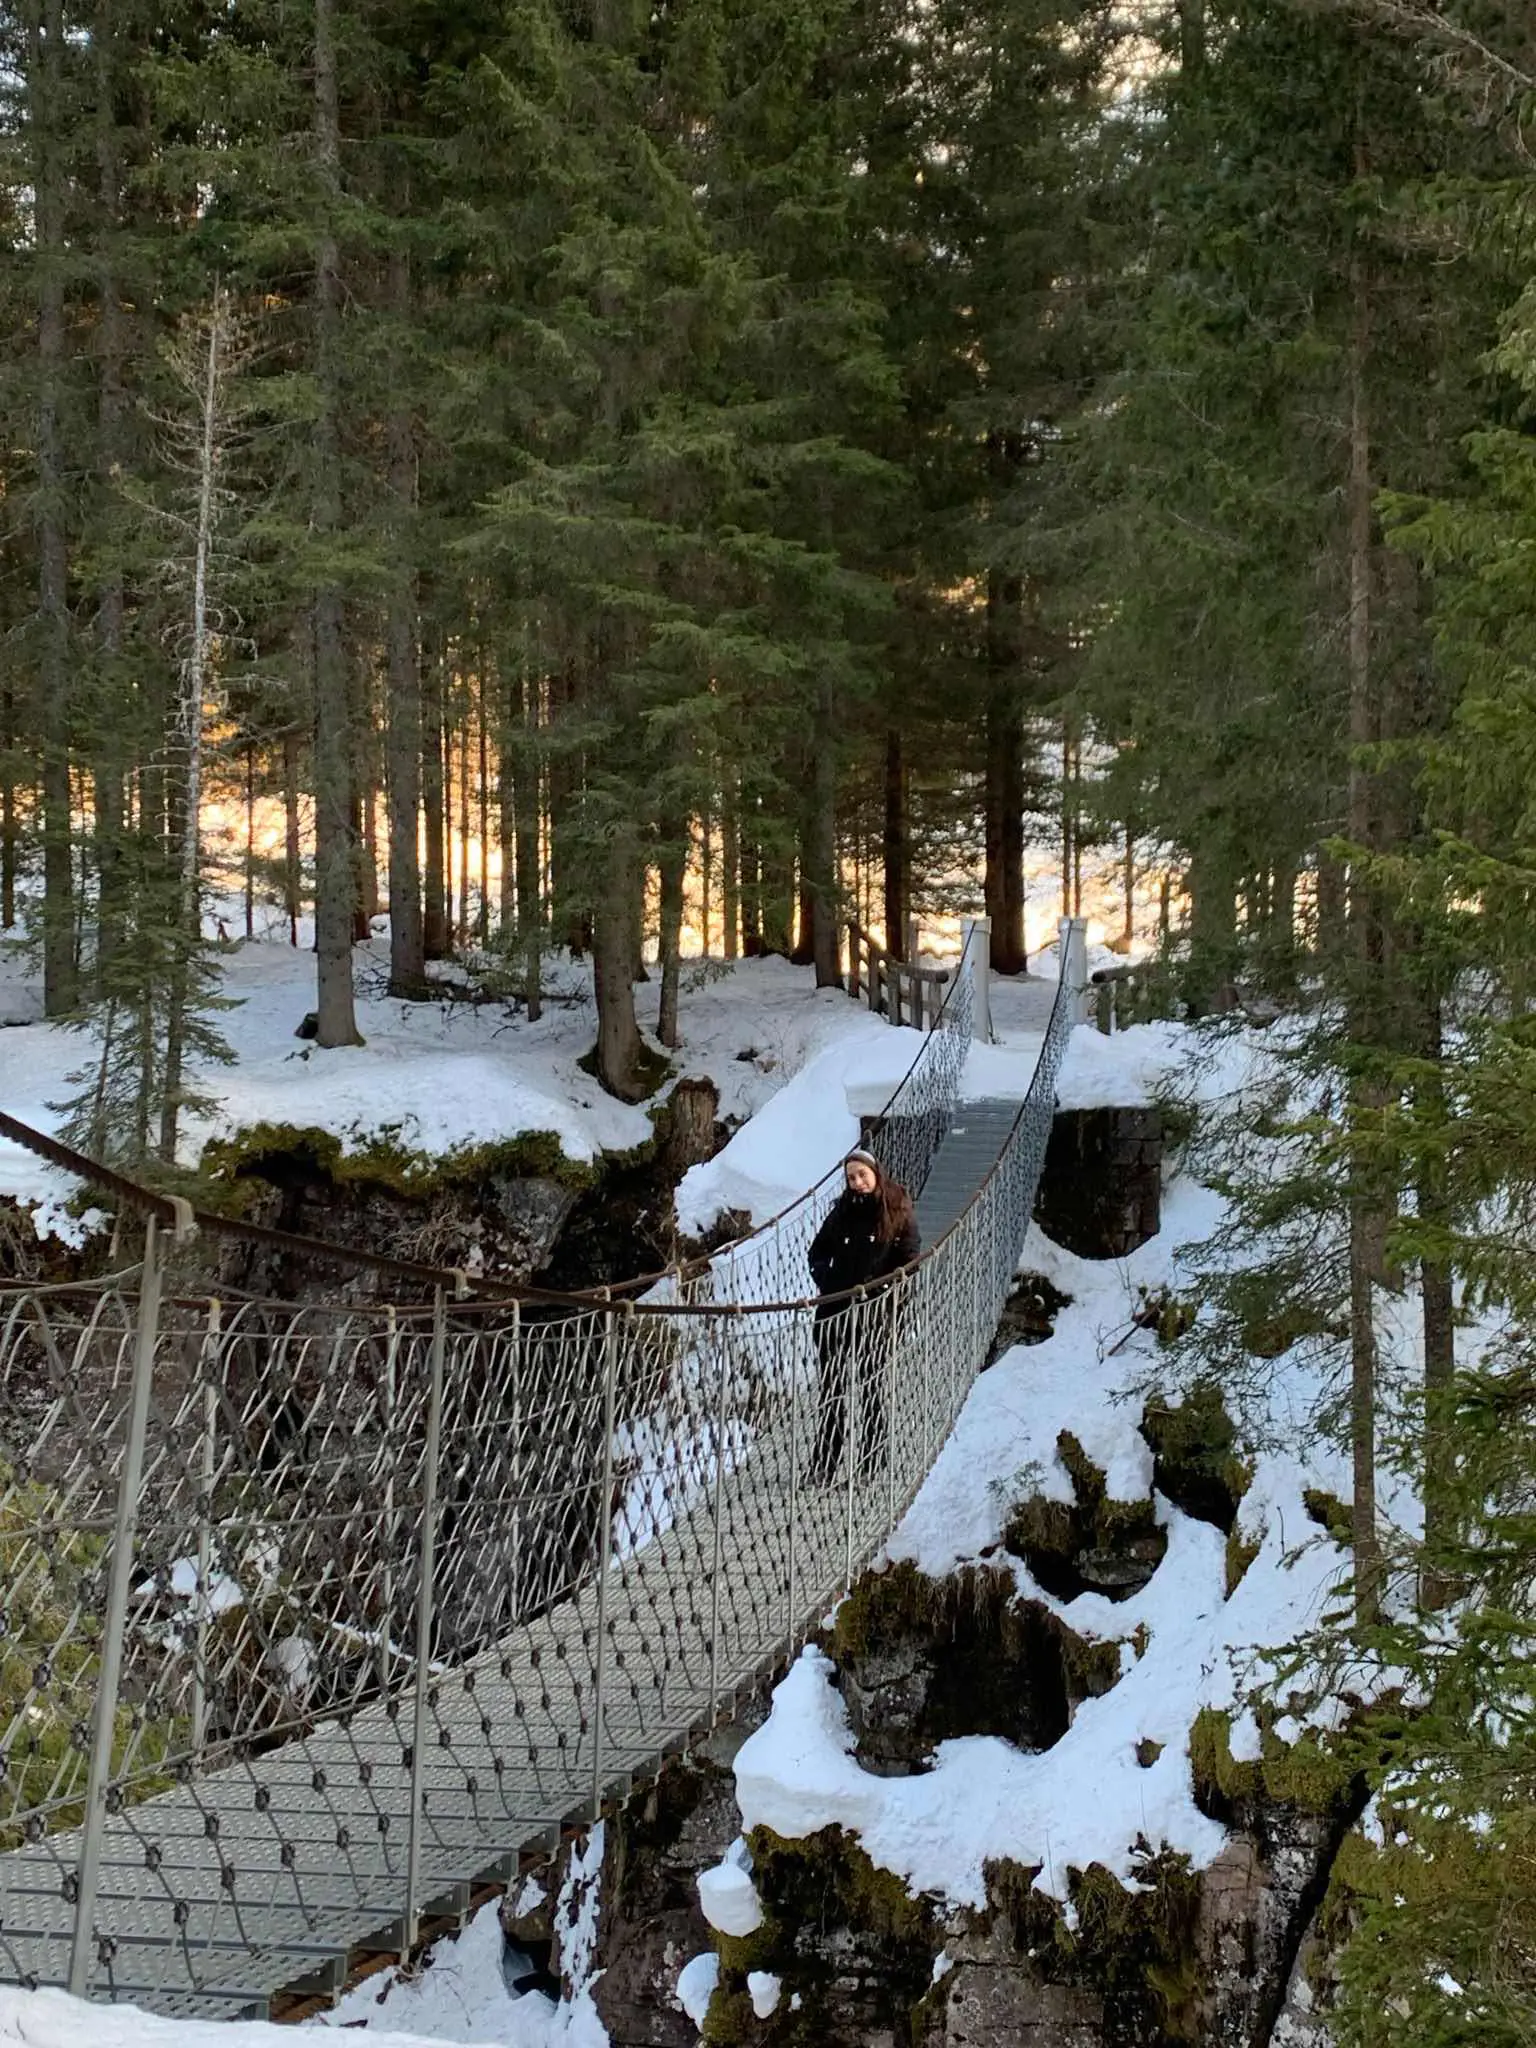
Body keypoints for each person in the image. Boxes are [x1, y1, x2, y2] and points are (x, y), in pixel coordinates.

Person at [806, 1148, 919, 1484]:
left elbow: (910, 1259)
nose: (857, 1182)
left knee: (870, 1386)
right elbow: (817, 1252)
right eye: (851, 1177)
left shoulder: (897, 1210)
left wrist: (885, 1291)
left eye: (862, 1175)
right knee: (831, 1388)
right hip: (834, 1312)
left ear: (876, 1174)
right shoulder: (842, 1211)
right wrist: (827, 1280)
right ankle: (825, 1464)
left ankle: (870, 1462)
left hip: (876, 1314)